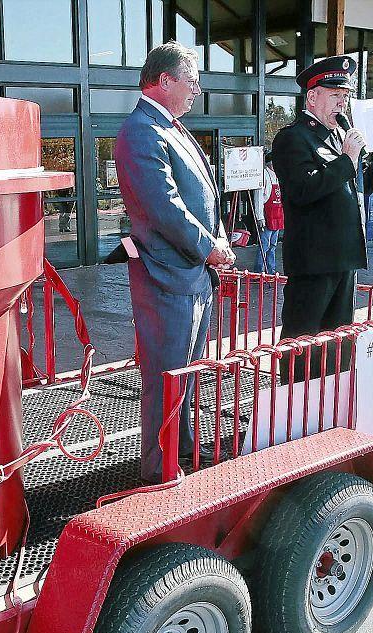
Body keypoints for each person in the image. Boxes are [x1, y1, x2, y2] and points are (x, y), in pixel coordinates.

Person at [115, 41, 234, 483]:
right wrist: (209, 247)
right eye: (192, 81)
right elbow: (164, 207)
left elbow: (202, 198)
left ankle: (182, 448)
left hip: (191, 275)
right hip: (168, 277)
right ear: (163, 81)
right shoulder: (141, 131)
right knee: (165, 377)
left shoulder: (169, 127)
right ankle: (157, 467)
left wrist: (216, 238)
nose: (197, 90)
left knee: (185, 374)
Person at [271, 56, 373, 376]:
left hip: (344, 259)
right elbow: (305, 190)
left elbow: (363, 185)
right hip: (314, 262)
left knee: (338, 344)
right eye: (335, 96)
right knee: (303, 344)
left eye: (345, 97)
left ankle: (328, 409)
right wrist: (347, 158)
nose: (341, 105)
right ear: (313, 96)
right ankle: (294, 410)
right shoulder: (293, 138)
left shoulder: (338, 137)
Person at [256, 151, 283, 273]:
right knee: (264, 246)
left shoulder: (278, 175)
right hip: (267, 216)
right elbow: (259, 197)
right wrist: (260, 216)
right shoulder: (264, 175)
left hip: (277, 216)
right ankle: (259, 271)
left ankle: (271, 270)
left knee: (273, 246)